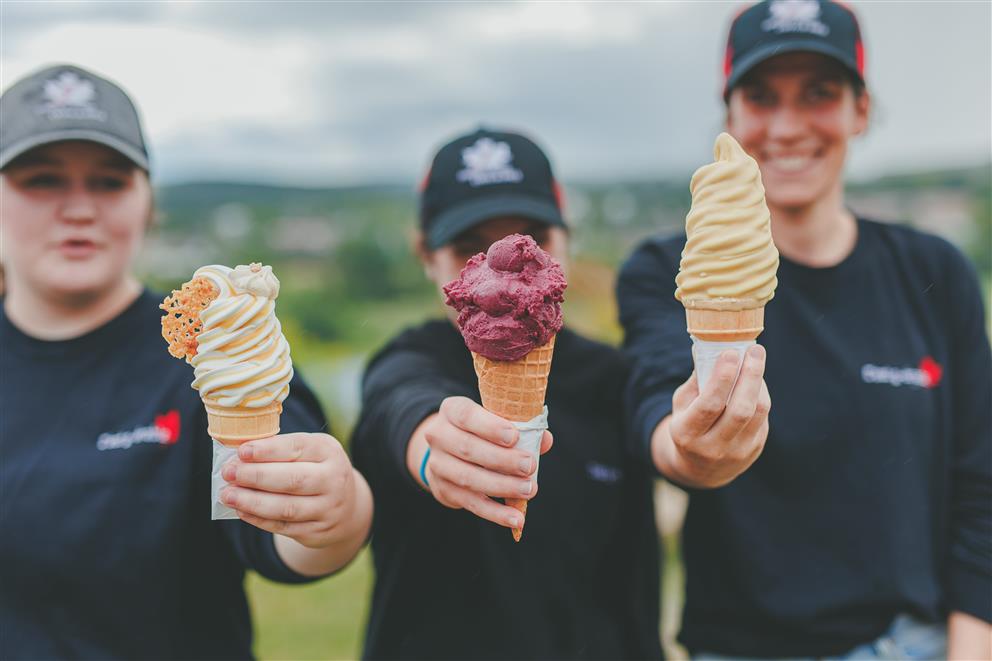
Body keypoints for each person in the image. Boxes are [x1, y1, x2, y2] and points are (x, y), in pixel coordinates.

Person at [617, 1, 991, 659]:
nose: (787, 127)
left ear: (860, 110)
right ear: (730, 114)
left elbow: (981, 482)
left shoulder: (934, 273)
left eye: (819, 93)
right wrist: (691, 450)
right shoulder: (668, 271)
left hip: (913, 643)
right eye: (761, 96)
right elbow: (656, 409)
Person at [0, 64, 373, 659]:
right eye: (42, 180)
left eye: (110, 181)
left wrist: (338, 513)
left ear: (148, 204)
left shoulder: (218, 352)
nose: (79, 208)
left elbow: (283, 543)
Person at [351, 128, 662, 660]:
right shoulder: (409, 359)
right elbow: (399, 405)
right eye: (468, 247)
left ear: (565, 242)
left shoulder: (612, 378)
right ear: (426, 254)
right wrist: (432, 451)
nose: (504, 276)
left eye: (534, 239)